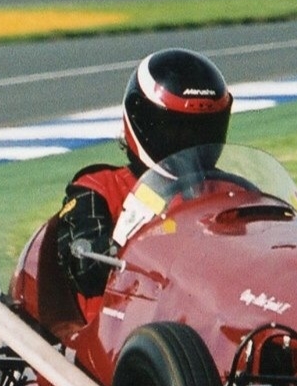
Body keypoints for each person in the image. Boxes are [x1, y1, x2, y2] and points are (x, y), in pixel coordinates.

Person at [53, 49, 233, 309]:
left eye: (203, 131)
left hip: (212, 315)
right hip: (127, 319)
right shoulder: (98, 188)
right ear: (141, 120)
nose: (190, 143)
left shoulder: (230, 190)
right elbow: (86, 270)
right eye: (176, 130)